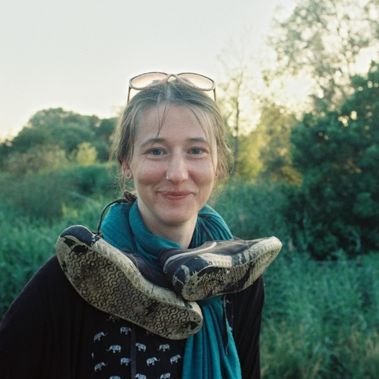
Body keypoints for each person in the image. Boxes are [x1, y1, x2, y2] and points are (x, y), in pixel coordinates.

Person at [0, 72, 282, 379]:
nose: (177, 173)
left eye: (196, 150)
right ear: (126, 162)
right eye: (156, 151)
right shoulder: (77, 274)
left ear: (217, 162)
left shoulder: (238, 278)